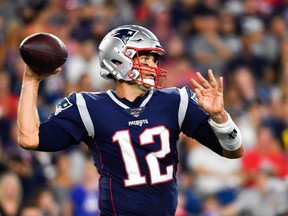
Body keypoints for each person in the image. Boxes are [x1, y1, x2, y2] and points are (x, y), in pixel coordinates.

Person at [17, 24, 243, 215]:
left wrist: (219, 116)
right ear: (117, 59)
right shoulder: (88, 106)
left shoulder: (176, 101)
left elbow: (233, 150)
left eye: (155, 59)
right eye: (144, 57)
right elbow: (30, 137)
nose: (153, 65)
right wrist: (31, 80)